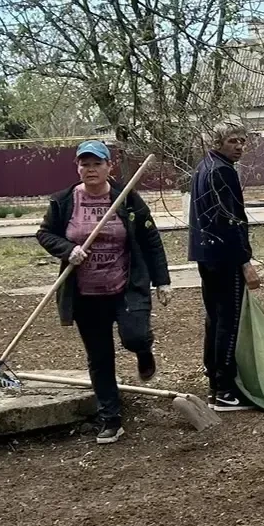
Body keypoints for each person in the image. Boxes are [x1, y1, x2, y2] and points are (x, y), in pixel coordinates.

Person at [36, 141, 172, 445]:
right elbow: (44, 234)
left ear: (109, 166)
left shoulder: (127, 198)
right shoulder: (63, 201)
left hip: (125, 286)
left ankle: (143, 352)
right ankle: (110, 419)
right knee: (99, 358)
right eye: (84, 164)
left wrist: (162, 280)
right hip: (85, 294)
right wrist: (68, 249)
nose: (90, 169)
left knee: (135, 336)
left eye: (97, 163)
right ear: (77, 168)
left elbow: (150, 239)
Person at [189, 118, 262, 411]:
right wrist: (245, 262)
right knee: (228, 321)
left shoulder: (204, 166)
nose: (239, 146)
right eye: (233, 141)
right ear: (217, 142)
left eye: (242, 141)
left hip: (206, 255)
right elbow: (231, 221)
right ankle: (225, 389)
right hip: (224, 257)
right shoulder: (221, 171)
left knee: (215, 318)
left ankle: (214, 383)